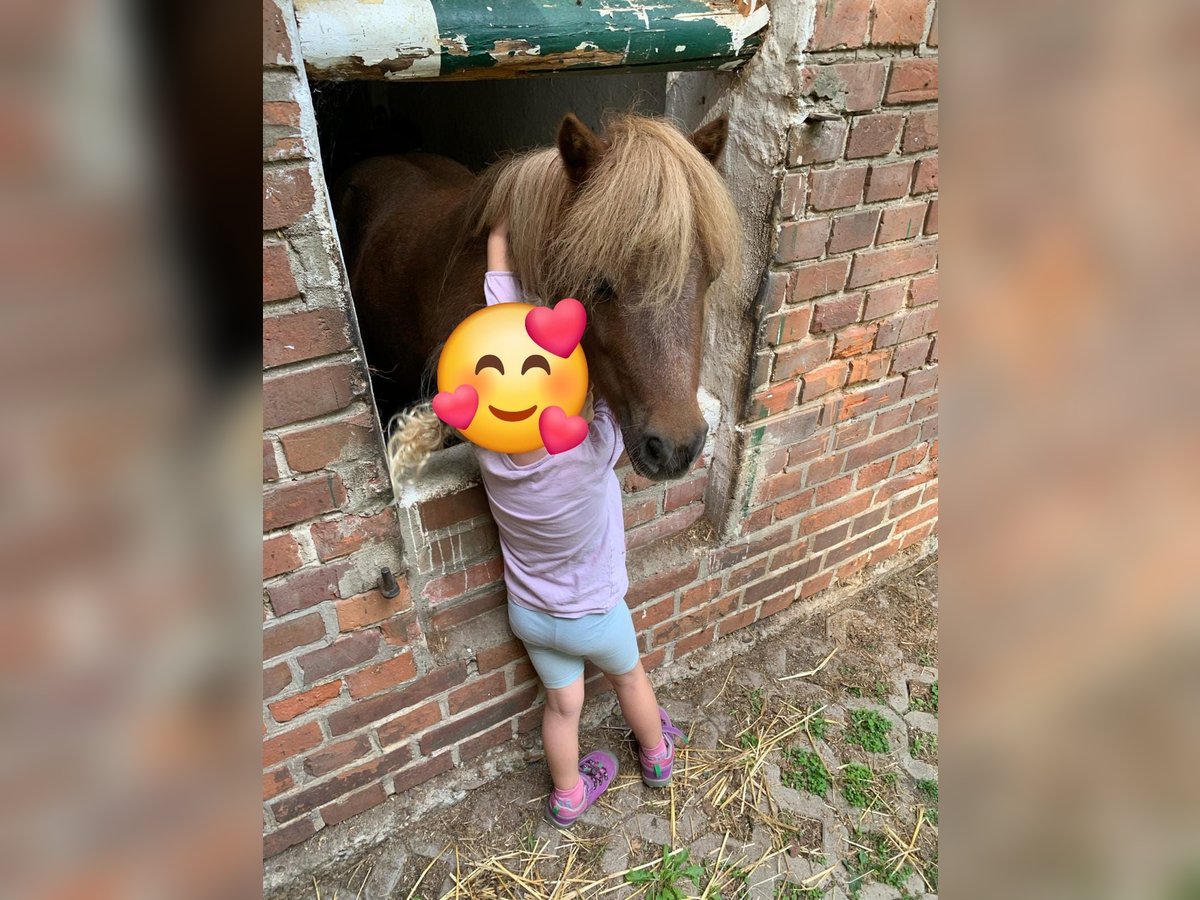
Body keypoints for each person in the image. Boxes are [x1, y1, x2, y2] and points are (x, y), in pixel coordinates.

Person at [474, 221, 685, 827]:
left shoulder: (490, 453)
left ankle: (567, 794)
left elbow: (504, 336)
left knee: (563, 707)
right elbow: (610, 398)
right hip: (597, 614)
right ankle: (657, 754)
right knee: (631, 684)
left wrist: (499, 244)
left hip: (533, 617)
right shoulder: (593, 452)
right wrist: (508, 228)